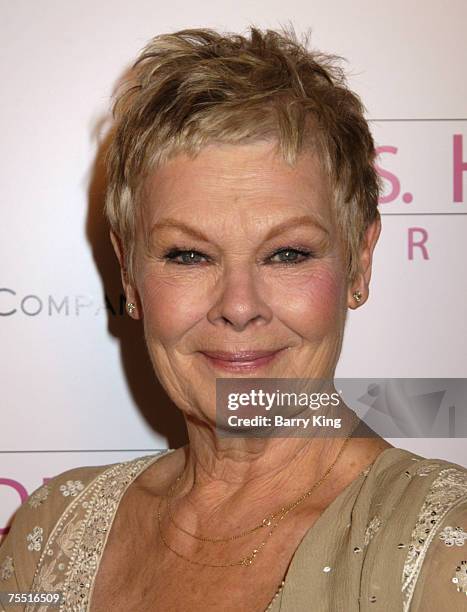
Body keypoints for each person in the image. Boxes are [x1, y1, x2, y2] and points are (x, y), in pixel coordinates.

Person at [1, 25, 466, 612]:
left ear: (359, 263)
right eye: (189, 255)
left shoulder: (446, 560)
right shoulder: (49, 535)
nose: (240, 306)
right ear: (128, 274)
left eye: (287, 254)